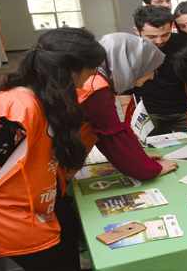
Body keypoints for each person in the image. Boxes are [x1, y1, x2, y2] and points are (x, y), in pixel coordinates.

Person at [0, 28, 104, 270]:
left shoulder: (40, 98)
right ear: (69, 70)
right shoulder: (18, 110)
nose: (94, 74)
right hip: (12, 218)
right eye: (92, 68)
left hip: (35, 208)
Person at [74, 32, 179, 182]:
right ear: (130, 63)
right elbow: (111, 137)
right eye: (149, 68)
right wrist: (148, 169)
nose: (151, 77)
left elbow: (116, 128)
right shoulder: (98, 88)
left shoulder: (97, 80)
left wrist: (140, 159)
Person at [119, 6, 187, 136]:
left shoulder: (183, 42)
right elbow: (125, 88)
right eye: (151, 36)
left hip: (182, 108)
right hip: (148, 111)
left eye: (165, 35)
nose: (159, 41)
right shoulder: (129, 49)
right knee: (151, 151)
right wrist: (132, 119)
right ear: (137, 31)